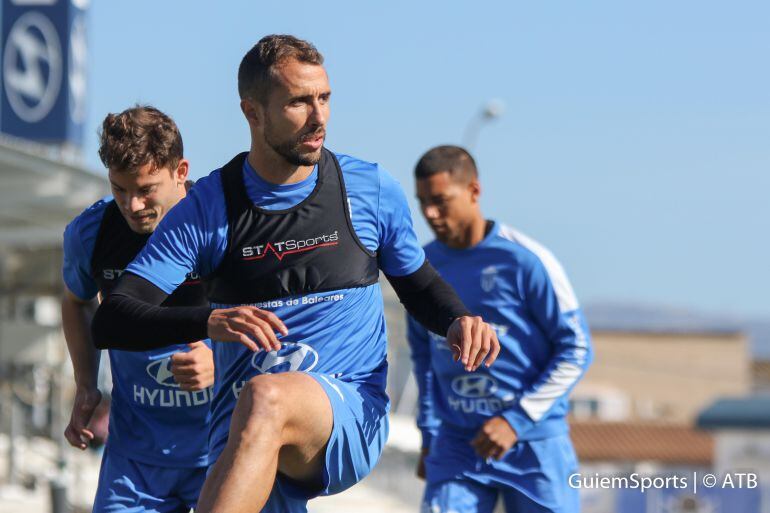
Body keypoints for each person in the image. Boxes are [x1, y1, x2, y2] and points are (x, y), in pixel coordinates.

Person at [90, 35, 500, 513]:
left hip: (347, 411)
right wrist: (208, 322)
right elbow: (113, 318)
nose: (318, 116)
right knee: (258, 409)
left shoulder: (368, 188)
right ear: (253, 113)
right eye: (299, 102)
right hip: (242, 435)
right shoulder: (208, 209)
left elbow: (420, 284)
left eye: (324, 98)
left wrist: (457, 319)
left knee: (267, 397)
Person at [408, 145, 593, 513]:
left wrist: (516, 420)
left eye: (440, 201)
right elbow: (423, 358)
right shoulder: (420, 269)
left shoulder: (526, 260)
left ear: (474, 191)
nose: (430, 213)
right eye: (423, 202)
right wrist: (429, 435)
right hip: (457, 447)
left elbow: (576, 350)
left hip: (532, 446)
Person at [61, 106, 215, 512]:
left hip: (221, 450)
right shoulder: (91, 234)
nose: (132, 205)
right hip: (134, 461)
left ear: (181, 171)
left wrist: (221, 359)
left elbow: (276, 316)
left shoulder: (221, 225)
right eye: (119, 189)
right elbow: (76, 302)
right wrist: (86, 384)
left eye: (146, 189)